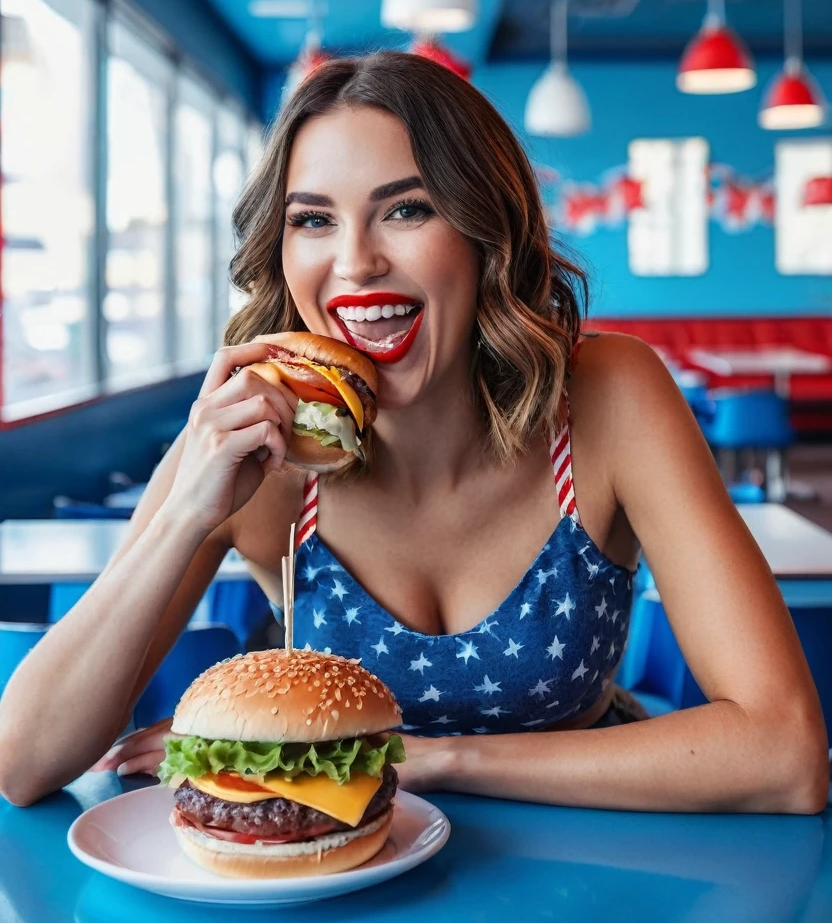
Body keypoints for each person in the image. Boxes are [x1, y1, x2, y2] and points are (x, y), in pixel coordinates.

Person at [0, 52, 826, 812]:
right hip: (346, 872)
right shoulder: (258, 439)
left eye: (407, 208)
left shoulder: (608, 397)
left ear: (484, 232)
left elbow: (786, 755)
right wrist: (187, 513)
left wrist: (430, 758)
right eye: (313, 220)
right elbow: (24, 760)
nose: (356, 263)